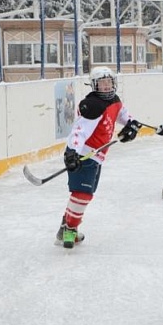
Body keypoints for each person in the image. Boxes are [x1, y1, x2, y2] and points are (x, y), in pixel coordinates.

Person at [58, 66, 142, 248]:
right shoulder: (93, 105)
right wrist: (72, 153)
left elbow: (121, 114)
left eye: (108, 83)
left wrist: (131, 124)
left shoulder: (114, 100)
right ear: (94, 86)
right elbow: (78, 132)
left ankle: (66, 225)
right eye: (102, 84)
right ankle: (70, 229)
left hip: (96, 156)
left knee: (85, 194)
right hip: (82, 155)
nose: (106, 87)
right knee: (82, 194)